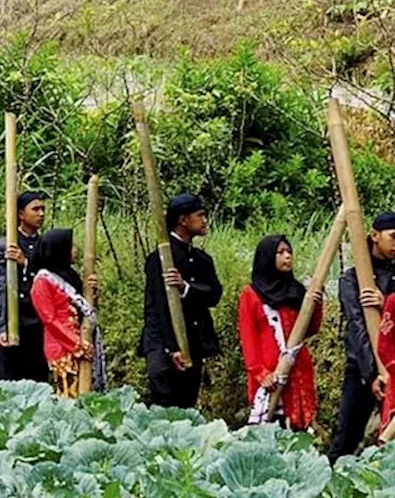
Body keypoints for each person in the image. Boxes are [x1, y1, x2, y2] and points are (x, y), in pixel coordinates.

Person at [139, 193, 223, 409]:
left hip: (193, 342)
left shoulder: (203, 260)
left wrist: (186, 287)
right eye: (200, 215)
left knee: (188, 404)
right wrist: (172, 348)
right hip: (162, 345)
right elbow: (158, 307)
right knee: (165, 403)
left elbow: (213, 295)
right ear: (183, 220)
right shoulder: (159, 259)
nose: (205, 220)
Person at [239, 234, 324, 430]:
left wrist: (316, 305)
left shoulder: (296, 291)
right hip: (271, 374)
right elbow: (248, 337)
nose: (287, 257)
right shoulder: (251, 295)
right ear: (268, 257)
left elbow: (310, 329)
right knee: (270, 426)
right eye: (280, 252)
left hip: (298, 370)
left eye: (289, 252)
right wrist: (260, 372)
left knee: (298, 429)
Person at [330, 212, 395, 461]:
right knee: (347, 437)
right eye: (393, 237)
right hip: (362, 368)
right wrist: (374, 373)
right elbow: (357, 328)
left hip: (394, 367)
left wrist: (387, 303)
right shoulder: (352, 279)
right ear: (375, 236)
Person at [31, 228, 106, 397]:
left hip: (82, 338)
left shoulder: (70, 275)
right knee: (69, 393)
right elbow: (50, 320)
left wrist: (92, 292)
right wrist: (77, 344)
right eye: (70, 246)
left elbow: (83, 305)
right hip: (62, 346)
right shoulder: (42, 281)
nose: (75, 250)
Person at [0, 191, 49, 382]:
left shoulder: (47, 245)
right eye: (35, 209)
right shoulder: (6, 245)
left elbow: (52, 281)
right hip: (15, 319)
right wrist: (3, 327)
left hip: (39, 322)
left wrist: (26, 263)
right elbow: (1, 287)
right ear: (21, 214)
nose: (41, 214)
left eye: (43, 209)